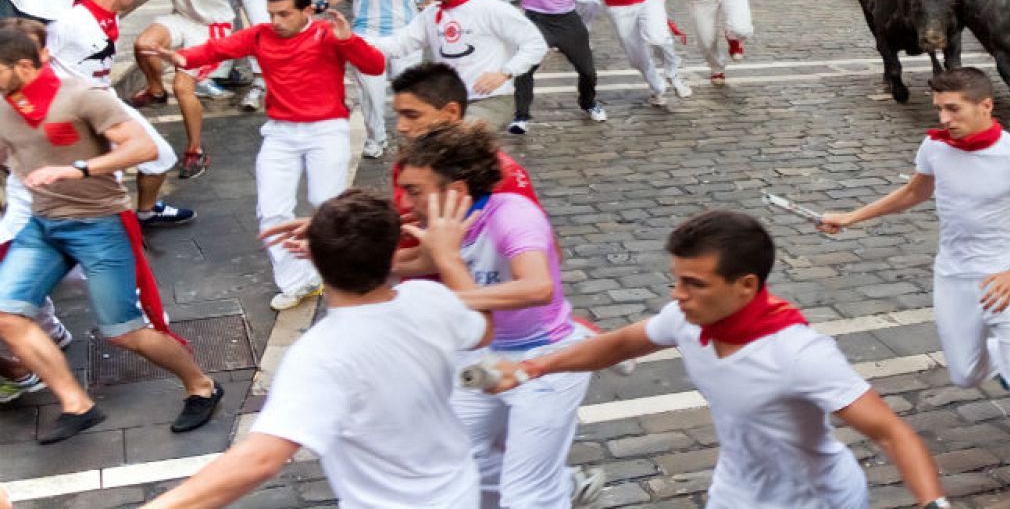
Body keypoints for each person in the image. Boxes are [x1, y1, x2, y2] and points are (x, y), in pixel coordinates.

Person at [479, 210, 951, 509]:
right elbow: (621, 343)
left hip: (815, 499)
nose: (677, 295)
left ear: (745, 285)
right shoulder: (686, 319)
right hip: (736, 492)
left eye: (694, 284)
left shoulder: (798, 354)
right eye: (677, 280)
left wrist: (934, 505)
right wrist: (536, 367)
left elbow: (892, 433)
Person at [147, 190, 490, 509]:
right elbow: (483, 330)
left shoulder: (321, 354)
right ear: (390, 253)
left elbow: (261, 459)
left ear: (316, 260)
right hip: (459, 489)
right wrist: (449, 258)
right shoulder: (432, 300)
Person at [821, 67, 1010, 472]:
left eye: (953, 109)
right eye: (939, 109)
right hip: (954, 277)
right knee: (963, 375)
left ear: (986, 105)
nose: (943, 119)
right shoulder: (935, 147)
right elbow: (914, 192)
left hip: (1006, 280)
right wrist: (851, 217)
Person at [0, 28, 223, 444]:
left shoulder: (81, 95)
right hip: (43, 224)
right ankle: (76, 405)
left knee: (123, 332)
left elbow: (141, 149)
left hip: (99, 222)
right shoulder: (4, 106)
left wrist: (77, 169)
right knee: (6, 314)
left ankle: (202, 385)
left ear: (24, 66)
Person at [393, 124, 602, 508]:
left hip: (545, 362)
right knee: (450, 461)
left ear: (454, 192)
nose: (405, 202)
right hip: (481, 359)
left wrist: (452, 266)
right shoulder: (444, 226)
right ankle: (561, 485)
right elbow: (409, 259)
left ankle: (546, 490)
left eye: (414, 191)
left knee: (526, 497)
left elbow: (538, 287)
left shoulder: (513, 215)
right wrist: (326, 242)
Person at [143, 0, 386, 311]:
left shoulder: (329, 34)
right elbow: (220, 48)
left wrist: (348, 40)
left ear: (306, 12)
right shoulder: (259, 35)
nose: (276, 21)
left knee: (326, 204)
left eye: (284, 14)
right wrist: (182, 57)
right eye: (272, 14)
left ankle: (340, 267)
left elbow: (374, 67)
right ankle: (298, 281)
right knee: (271, 210)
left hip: (327, 129)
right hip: (280, 132)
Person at [40, 0, 194, 226]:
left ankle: (146, 212)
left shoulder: (112, 16)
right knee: (109, 174)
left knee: (161, 157)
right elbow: (41, 62)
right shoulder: (68, 22)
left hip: (106, 99)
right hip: (78, 108)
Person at [109, 0, 233, 180]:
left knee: (182, 86)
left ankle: (195, 150)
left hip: (211, 28)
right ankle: (155, 90)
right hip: (183, 18)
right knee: (144, 44)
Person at [374, 0, 547, 130]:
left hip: (491, 100)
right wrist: (350, 40)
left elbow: (535, 44)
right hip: (447, 101)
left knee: (455, 137)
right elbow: (398, 45)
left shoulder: (491, 8)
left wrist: (505, 73)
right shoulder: (431, 13)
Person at [481, 0, 612, 131]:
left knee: (588, 71)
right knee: (525, 70)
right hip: (537, 21)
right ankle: (521, 117)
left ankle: (588, 103)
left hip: (568, 20)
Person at [326, 0, 430, 159]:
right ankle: (376, 138)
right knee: (371, 94)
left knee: (411, 93)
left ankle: (414, 139)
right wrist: (319, 6)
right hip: (366, 36)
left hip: (406, 36)